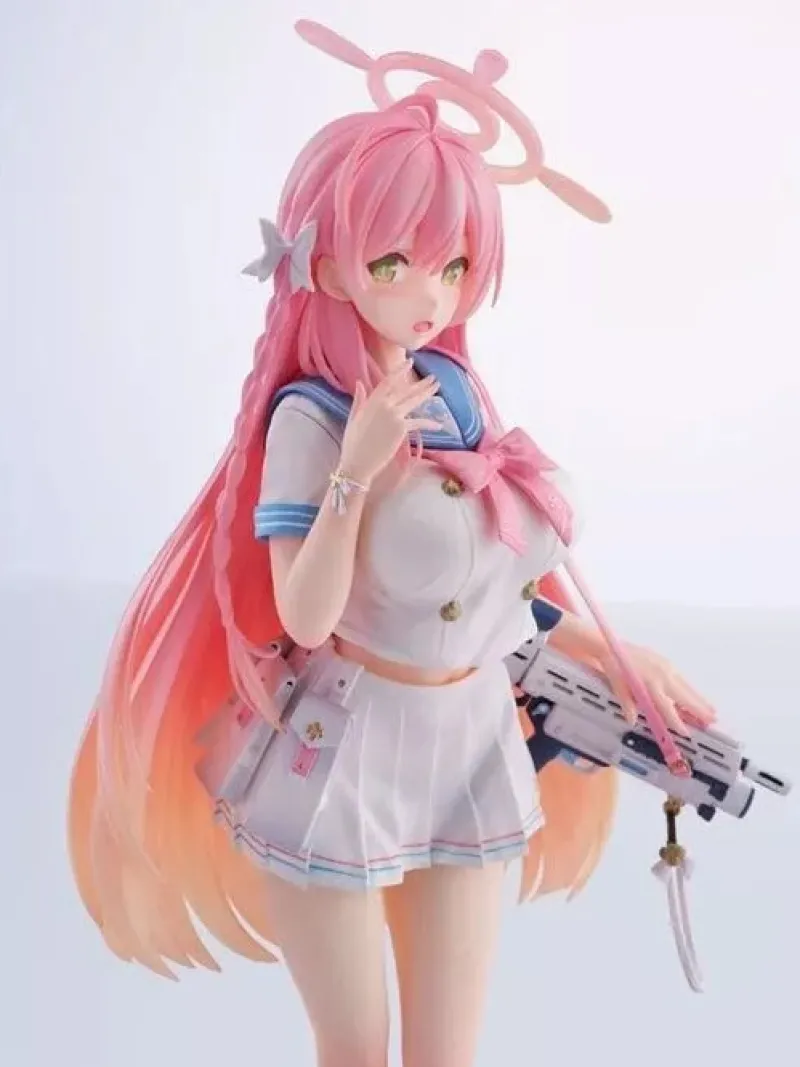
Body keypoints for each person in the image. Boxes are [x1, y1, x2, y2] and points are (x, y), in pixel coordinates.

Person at [67, 20, 717, 1067]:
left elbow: (489, 585)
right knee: (357, 1047)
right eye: (397, 262)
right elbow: (306, 613)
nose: (431, 293)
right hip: (344, 752)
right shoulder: (310, 419)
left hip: (469, 740)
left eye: (454, 265)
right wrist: (356, 471)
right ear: (327, 266)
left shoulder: (454, 391)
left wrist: (609, 653)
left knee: (448, 1051)